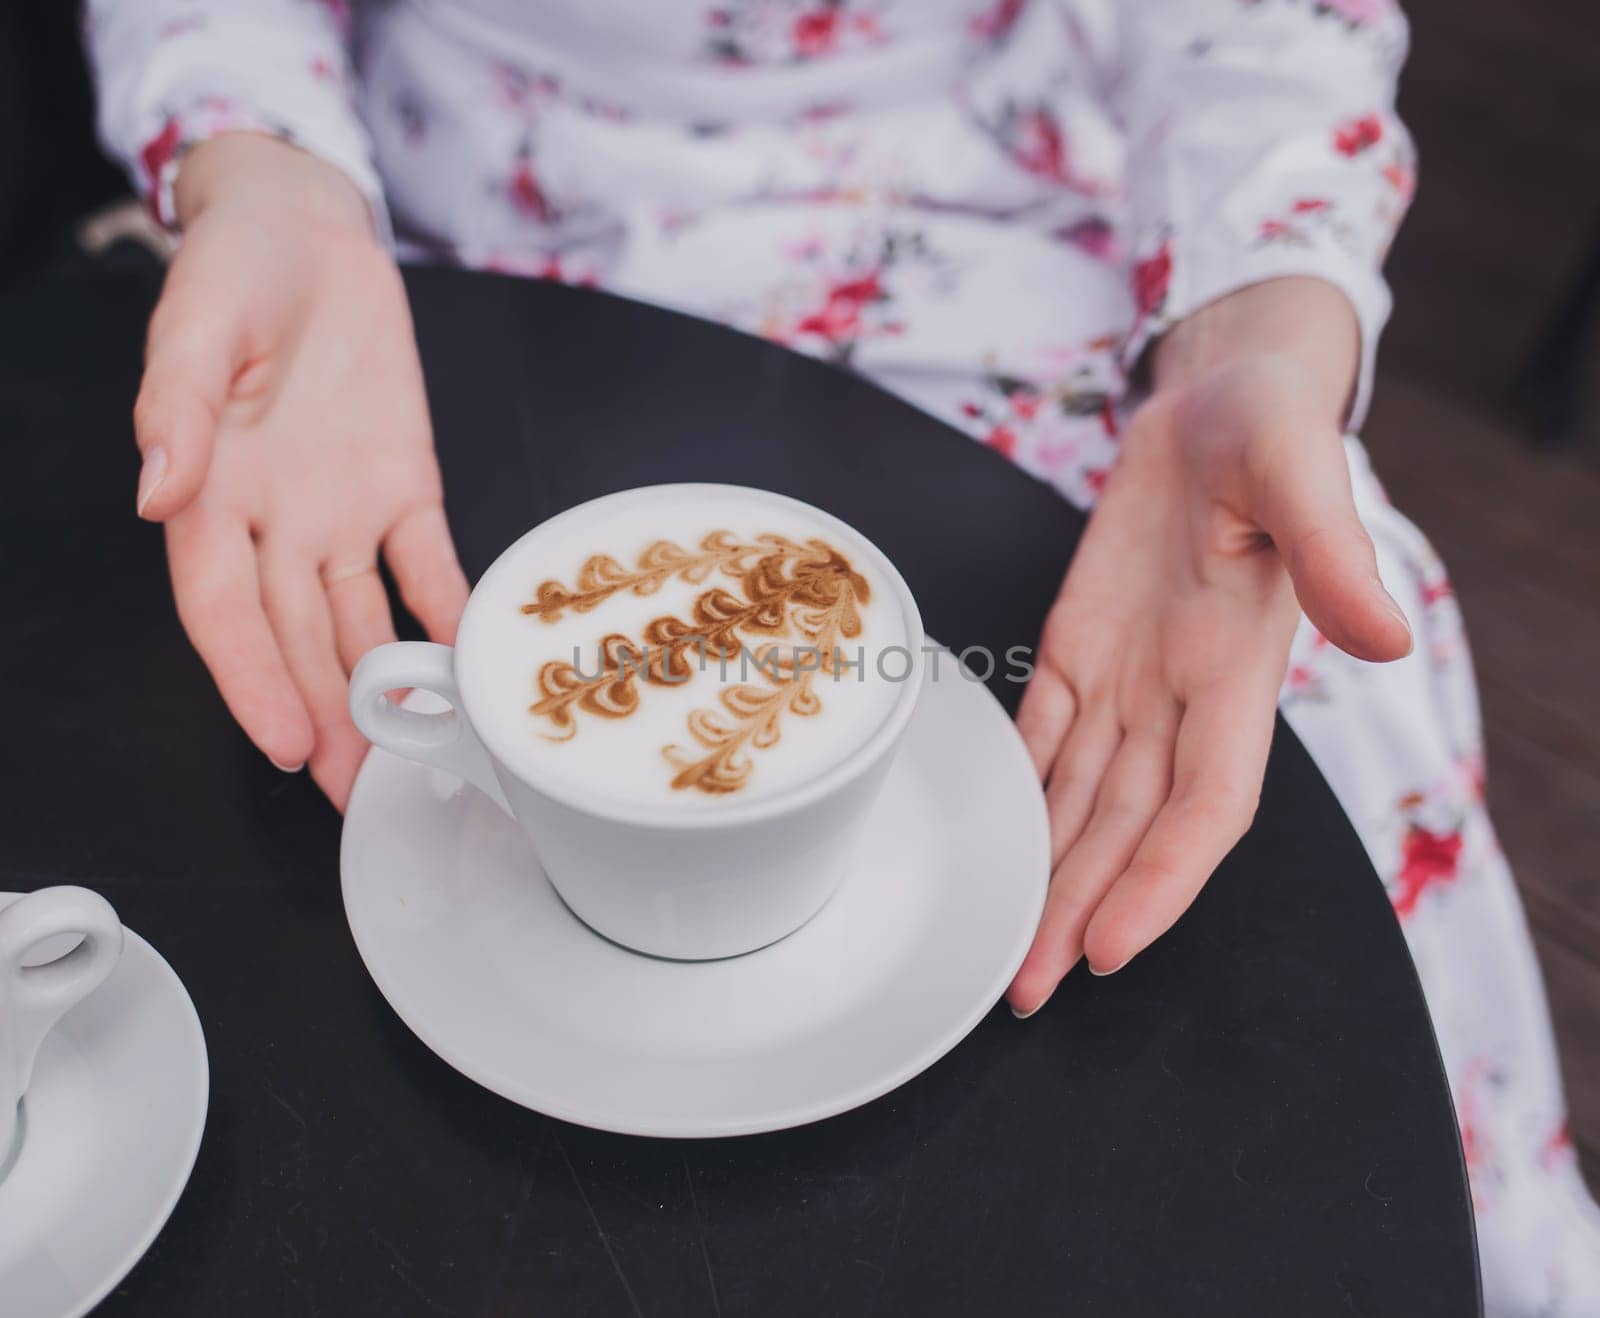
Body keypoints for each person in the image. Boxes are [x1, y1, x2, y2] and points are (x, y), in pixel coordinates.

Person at [85, 1, 1600, 1309]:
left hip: (1008, 214)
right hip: (464, 245)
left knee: (1324, 665)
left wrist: (1256, 334)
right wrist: (264, 176)